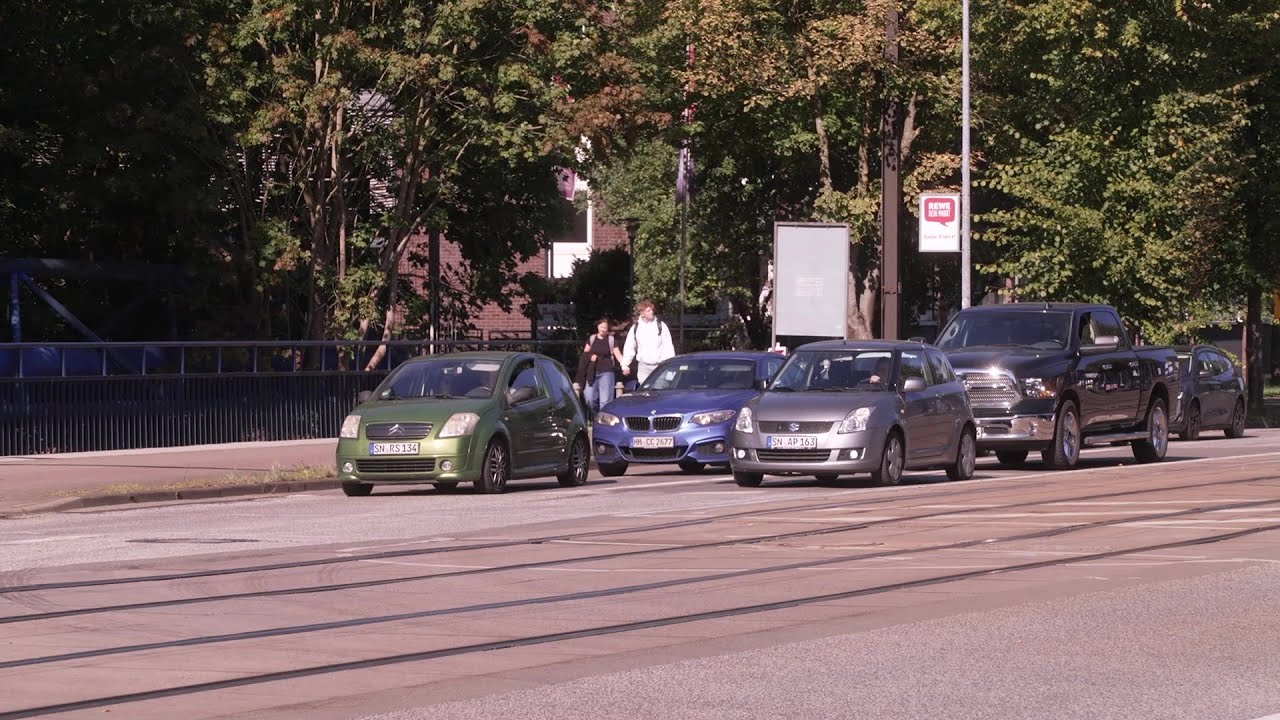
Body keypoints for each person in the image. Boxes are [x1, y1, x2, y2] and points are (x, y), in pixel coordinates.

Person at [575, 318, 625, 418]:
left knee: (605, 401)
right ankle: (595, 416)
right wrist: (590, 357)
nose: (603, 329)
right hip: (592, 372)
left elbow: (618, 355)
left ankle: (603, 420)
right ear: (597, 327)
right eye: (601, 327)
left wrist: (624, 365)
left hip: (607, 371)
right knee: (589, 398)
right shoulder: (592, 339)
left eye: (605, 328)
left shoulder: (611, 340)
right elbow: (585, 355)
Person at [620, 300, 675, 385]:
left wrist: (670, 365)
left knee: (659, 392)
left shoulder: (661, 326)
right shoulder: (636, 328)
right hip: (643, 368)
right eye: (648, 311)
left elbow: (668, 346)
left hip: (660, 366)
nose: (652, 312)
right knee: (645, 394)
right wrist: (625, 365)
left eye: (652, 310)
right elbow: (629, 347)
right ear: (642, 313)